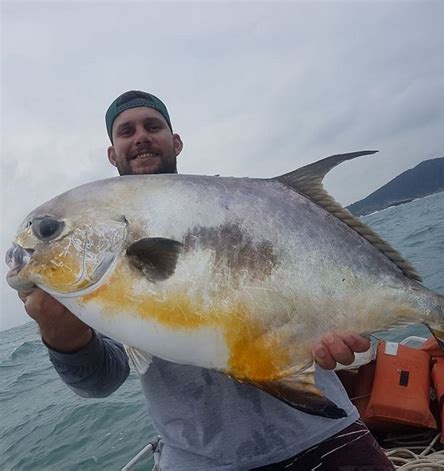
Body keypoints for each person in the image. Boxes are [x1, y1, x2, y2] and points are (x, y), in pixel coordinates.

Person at [18, 90, 395, 470]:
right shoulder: (106, 249)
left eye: (153, 126)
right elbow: (101, 381)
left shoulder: (239, 207)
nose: (141, 137)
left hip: (323, 432)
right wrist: (61, 335)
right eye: (126, 131)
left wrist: (345, 325)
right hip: (201, 460)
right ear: (112, 153)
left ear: (175, 141)